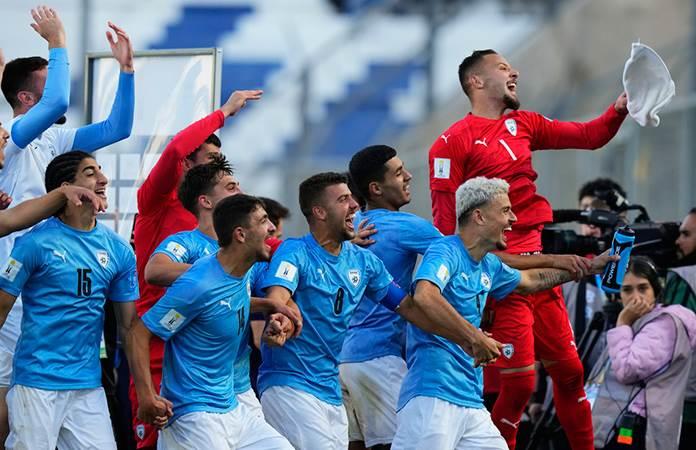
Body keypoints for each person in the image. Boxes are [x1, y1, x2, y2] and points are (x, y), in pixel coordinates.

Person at [428, 49, 629, 449]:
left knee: (571, 375)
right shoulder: (450, 143)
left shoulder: (525, 124)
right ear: (476, 81)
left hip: (541, 276)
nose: (514, 72)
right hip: (505, 279)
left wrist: (620, 108)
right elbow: (446, 227)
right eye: (503, 68)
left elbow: (590, 136)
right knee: (520, 385)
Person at [258, 171, 512, 450]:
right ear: (319, 211)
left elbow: (410, 308)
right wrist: (280, 318)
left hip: (329, 387)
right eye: (343, 199)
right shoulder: (294, 251)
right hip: (290, 383)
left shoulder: (364, 262)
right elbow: (279, 295)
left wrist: (469, 338)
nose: (355, 205)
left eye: (352, 198)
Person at [391, 177, 615, 450]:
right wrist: (474, 336)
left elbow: (532, 280)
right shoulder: (446, 250)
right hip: (433, 397)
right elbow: (425, 295)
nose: (514, 218)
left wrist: (591, 267)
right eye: (505, 210)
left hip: (471, 403)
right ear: (479, 216)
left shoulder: (488, 264)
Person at [0, 8, 135, 445]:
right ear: (25, 98)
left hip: (54, 283)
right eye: (48, 76)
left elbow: (119, 127)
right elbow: (57, 101)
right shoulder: (14, 135)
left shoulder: (55, 141)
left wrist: (127, 71)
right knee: (8, 394)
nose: (61, 85)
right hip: (17, 279)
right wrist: (58, 42)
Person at [130, 89, 261, 449]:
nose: (219, 167)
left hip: (218, 355)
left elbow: (259, 250)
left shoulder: (222, 223)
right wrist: (225, 111)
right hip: (161, 338)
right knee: (155, 437)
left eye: (222, 160)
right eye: (210, 159)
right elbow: (173, 149)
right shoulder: (156, 201)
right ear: (187, 164)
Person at [127, 194, 295, 449]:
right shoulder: (199, 284)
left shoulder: (239, 271)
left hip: (232, 407)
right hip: (194, 414)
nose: (272, 228)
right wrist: (146, 396)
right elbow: (139, 333)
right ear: (240, 234)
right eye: (263, 221)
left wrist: (270, 305)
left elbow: (221, 307)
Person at [0, 151, 138, 449]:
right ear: (67, 188)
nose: (103, 179)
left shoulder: (119, 250)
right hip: (36, 384)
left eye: (100, 170)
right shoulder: (34, 243)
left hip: (88, 387)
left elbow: (129, 330)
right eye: (90, 173)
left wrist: (145, 392)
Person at [144, 155, 273, 417]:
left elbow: (237, 298)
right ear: (205, 201)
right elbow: (155, 270)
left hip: (238, 383)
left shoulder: (247, 247)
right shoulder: (188, 243)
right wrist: (218, 272)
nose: (241, 192)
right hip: (197, 389)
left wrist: (276, 310)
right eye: (231, 187)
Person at [339, 144, 443, 450]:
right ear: (375, 188)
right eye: (399, 173)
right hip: (379, 358)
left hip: (340, 360)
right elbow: (464, 257)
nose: (408, 176)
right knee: (400, 444)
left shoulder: (345, 229)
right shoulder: (405, 226)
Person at [588, 257, 696, 450]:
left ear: (656, 290)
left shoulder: (664, 324)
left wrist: (622, 323)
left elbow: (628, 370)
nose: (636, 297)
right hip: (621, 419)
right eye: (627, 290)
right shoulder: (641, 321)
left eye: (643, 288)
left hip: (641, 425)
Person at [662, 208, 696, 449]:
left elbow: (668, 343)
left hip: (685, 407)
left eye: (686, 234)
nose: (677, 241)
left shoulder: (684, 278)